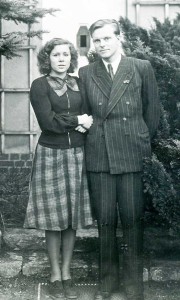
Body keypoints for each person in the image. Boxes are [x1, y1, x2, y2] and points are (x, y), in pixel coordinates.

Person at [78, 19, 160, 300]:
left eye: (106, 39)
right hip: (100, 154)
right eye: (96, 40)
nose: (101, 44)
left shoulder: (141, 67)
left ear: (119, 38)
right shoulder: (86, 72)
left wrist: (138, 139)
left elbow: (153, 112)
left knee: (133, 220)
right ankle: (107, 285)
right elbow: (86, 114)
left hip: (132, 154)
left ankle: (134, 288)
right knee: (106, 221)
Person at [24, 38, 93, 300]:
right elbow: (48, 122)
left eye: (66, 54)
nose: (61, 59)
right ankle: (54, 275)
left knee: (71, 218)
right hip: (50, 154)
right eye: (56, 55)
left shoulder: (80, 84)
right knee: (53, 220)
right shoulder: (39, 85)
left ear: (71, 58)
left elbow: (91, 114)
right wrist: (77, 120)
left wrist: (83, 122)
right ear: (47, 59)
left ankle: (67, 274)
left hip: (77, 153)